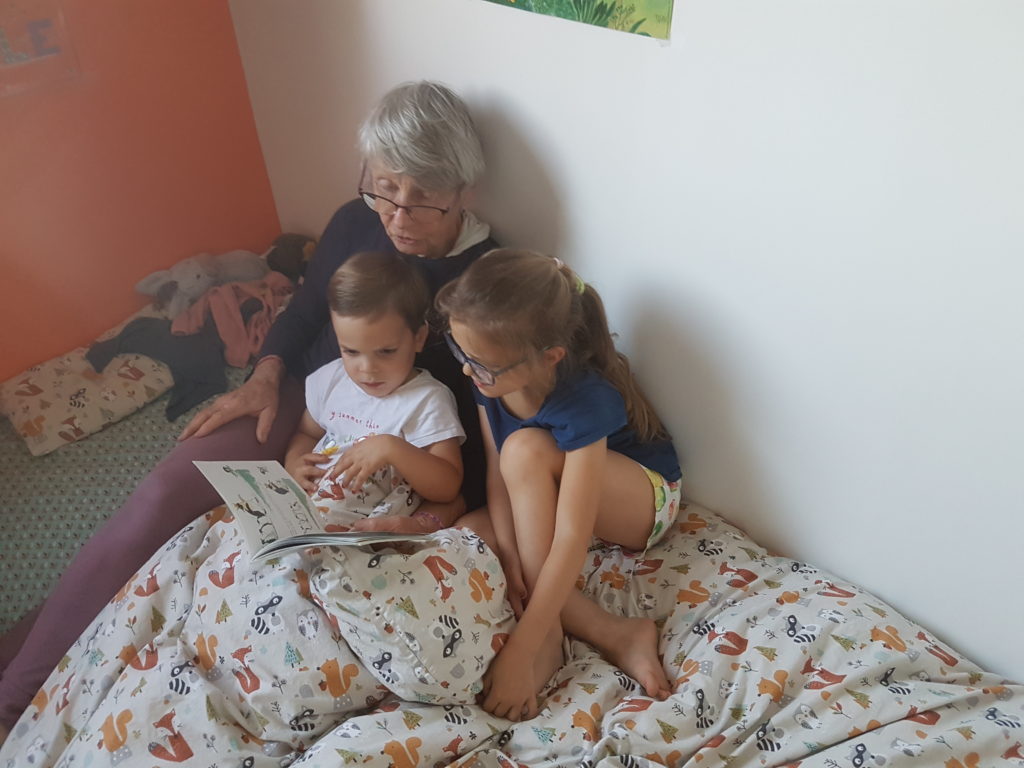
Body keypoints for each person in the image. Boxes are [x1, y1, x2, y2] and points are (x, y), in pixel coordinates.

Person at [0, 80, 498, 739]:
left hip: (385, 455)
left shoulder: (485, 282)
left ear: (464, 191)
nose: (397, 216)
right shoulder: (355, 222)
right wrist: (265, 375)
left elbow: (480, 435)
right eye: (384, 189)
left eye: (422, 199)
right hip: (305, 402)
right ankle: (13, 698)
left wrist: (434, 519)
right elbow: (304, 310)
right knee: (161, 498)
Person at [436, 249, 683, 722]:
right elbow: (496, 473)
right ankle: (616, 631)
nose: (467, 370)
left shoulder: (585, 399)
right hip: (554, 486)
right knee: (472, 532)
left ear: (549, 357)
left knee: (525, 449)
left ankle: (549, 637)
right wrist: (510, 552)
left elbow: (571, 534)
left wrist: (522, 647)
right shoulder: (487, 374)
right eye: (462, 353)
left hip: (642, 500)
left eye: (481, 364)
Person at [286, 251, 464, 524]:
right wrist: (294, 462)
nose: (367, 369)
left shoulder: (427, 400)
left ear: (419, 338)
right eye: (351, 351)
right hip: (300, 507)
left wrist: (391, 448)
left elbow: (448, 486)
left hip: (354, 526)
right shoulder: (332, 379)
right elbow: (306, 432)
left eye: (386, 351)